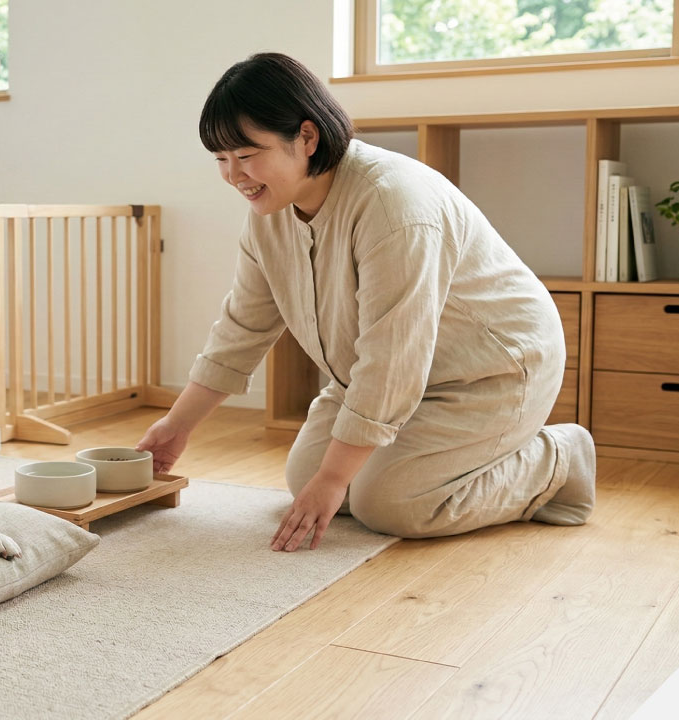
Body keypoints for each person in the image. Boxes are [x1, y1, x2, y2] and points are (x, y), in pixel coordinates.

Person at [134, 53, 596, 553]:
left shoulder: (394, 203)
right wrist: (176, 426)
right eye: (221, 160)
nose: (233, 175)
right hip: (380, 375)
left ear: (306, 138)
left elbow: (393, 357)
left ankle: (557, 459)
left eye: (246, 155)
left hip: (490, 373)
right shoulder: (270, 211)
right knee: (306, 477)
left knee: (390, 504)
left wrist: (336, 478)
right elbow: (242, 328)